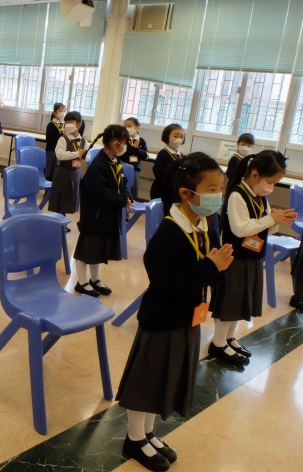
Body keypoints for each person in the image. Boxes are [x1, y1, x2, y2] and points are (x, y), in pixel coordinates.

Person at [116, 152, 233, 472]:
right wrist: (210, 268)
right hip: (162, 319)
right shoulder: (169, 233)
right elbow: (168, 283)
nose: (218, 196)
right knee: (147, 382)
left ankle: (148, 433)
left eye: (220, 189)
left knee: (162, 381)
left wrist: (217, 269)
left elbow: (210, 268)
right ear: (186, 193)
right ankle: (134, 438)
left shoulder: (205, 224)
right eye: (211, 190)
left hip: (187, 317)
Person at [209, 150, 296, 365]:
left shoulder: (260, 196)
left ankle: (229, 338)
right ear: (255, 174)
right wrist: (270, 219)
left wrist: (277, 219)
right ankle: (218, 343)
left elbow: (266, 227)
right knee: (229, 302)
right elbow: (240, 229)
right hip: (234, 257)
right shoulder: (237, 194)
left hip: (253, 257)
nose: (271, 187)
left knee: (241, 302)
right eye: (271, 181)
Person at [73, 124, 132, 297]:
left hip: (107, 215)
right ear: (115, 144)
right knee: (86, 250)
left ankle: (95, 279)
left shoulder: (115, 161)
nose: (125, 146)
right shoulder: (98, 164)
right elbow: (100, 191)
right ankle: (81, 282)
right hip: (95, 216)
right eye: (124, 143)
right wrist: (121, 200)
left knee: (98, 249)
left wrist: (127, 196)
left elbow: (123, 183)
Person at [48, 111, 88, 222]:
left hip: (76, 173)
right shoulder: (63, 139)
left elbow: (87, 157)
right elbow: (60, 155)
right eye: (66, 122)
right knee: (60, 200)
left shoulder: (83, 141)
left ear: (78, 125)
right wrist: (78, 154)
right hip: (63, 173)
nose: (68, 124)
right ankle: (57, 222)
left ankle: (63, 222)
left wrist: (83, 155)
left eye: (71, 122)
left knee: (68, 200)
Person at [151, 123, 185, 211]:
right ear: (167, 137)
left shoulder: (182, 156)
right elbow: (159, 173)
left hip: (175, 193)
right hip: (162, 192)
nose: (179, 139)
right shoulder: (163, 154)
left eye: (181, 137)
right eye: (175, 136)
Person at [121, 117, 148, 199]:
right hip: (123, 168)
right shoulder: (123, 139)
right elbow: (122, 154)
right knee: (122, 188)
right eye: (125, 126)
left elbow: (145, 156)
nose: (126, 128)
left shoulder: (141, 141)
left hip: (134, 169)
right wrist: (132, 148)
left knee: (133, 191)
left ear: (137, 127)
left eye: (129, 126)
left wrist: (136, 149)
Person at [44, 103, 66, 181]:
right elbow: (49, 140)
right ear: (54, 112)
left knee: (57, 173)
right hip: (52, 151)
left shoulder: (64, 124)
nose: (63, 113)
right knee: (50, 173)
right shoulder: (51, 125)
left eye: (64, 111)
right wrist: (62, 135)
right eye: (60, 111)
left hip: (60, 151)